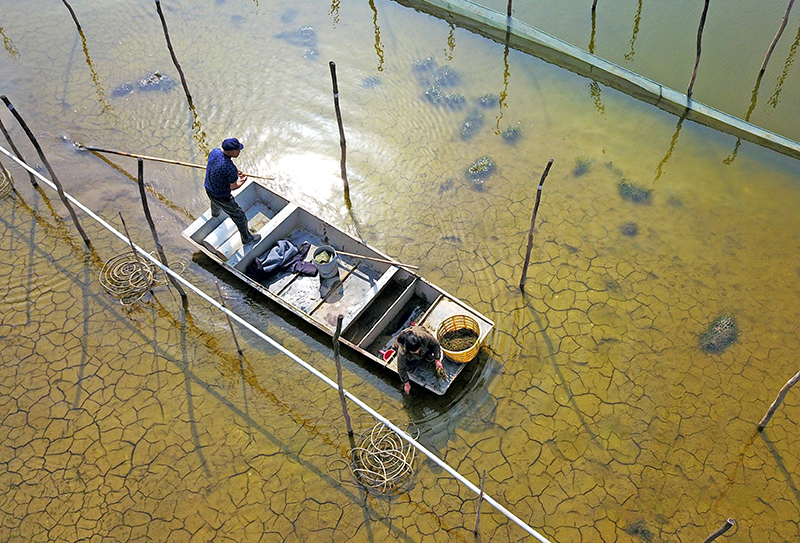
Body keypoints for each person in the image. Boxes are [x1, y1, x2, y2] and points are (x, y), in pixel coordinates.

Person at [204, 137, 261, 245]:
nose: (239, 151)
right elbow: (233, 187)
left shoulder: (215, 152)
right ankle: (247, 239)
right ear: (230, 152)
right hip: (222, 196)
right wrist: (242, 181)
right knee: (240, 216)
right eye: (237, 150)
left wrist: (235, 172)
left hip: (209, 188)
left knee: (214, 204)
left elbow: (217, 167)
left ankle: (215, 215)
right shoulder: (229, 167)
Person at [394, 325, 443, 394]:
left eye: (418, 350)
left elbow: (436, 344)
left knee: (431, 351)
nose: (417, 352)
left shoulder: (424, 337)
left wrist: (437, 360)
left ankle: (425, 354)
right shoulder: (402, 353)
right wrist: (407, 384)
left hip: (423, 346)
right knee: (408, 367)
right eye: (415, 352)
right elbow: (401, 369)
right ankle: (413, 363)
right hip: (410, 357)